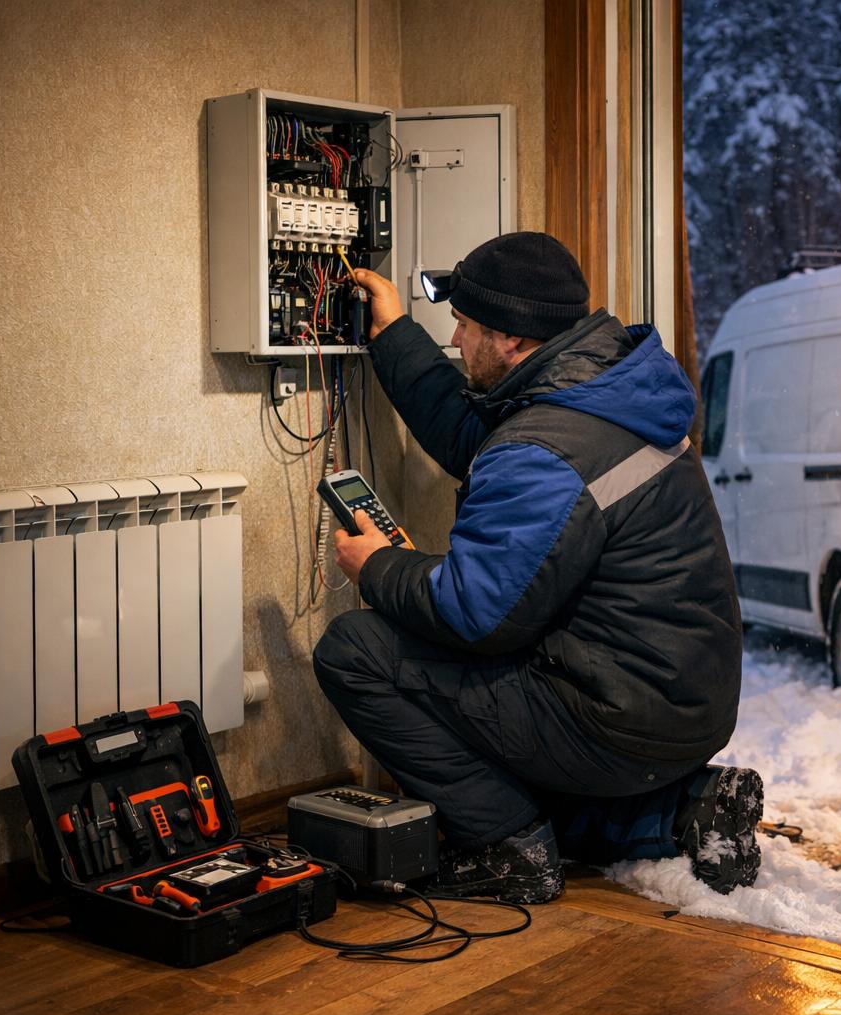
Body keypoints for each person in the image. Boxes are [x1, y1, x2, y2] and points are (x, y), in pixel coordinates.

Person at [313, 231, 760, 903]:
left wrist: (379, 566)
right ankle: (682, 810)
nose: (456, 342)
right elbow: (482, 441)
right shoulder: (603, 389)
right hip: (682, 704)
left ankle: (507, 847)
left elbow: (473, 613)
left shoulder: (543, 449)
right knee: (525, 740)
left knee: (356, 651)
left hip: (620, 716)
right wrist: (393, 334)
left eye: (464, 327)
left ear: (514, 342)